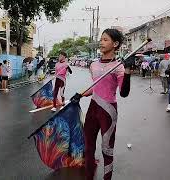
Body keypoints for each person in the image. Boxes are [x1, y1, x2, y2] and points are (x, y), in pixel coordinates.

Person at [71, 29, 132, 180]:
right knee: (88, 148)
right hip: (93, 109)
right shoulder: (93, 65)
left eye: (105, 39)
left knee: (107, 150)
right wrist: (80, 95)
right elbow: (96, 87)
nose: (101, 42)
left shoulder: (119, 66)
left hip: (108, 112)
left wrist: (128, 71)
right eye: (101, 39)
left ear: (115, 44)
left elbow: (124, 93)